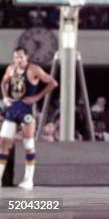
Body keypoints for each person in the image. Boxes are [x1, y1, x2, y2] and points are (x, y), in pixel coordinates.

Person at [0, 46, 58, 190]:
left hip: (26, 111)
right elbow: (3, 82)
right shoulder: (10, 69)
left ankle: (28, 180)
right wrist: (6, 97)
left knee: (28, 145)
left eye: (20, 57)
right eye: (15, 57)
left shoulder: (34, 69)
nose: (18, 60)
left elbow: (53, 83)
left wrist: (37, 97)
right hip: (12, 109)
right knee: (3, 143)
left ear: (26, 57)